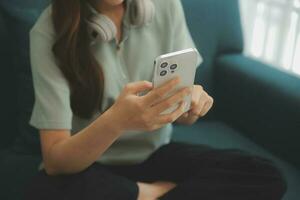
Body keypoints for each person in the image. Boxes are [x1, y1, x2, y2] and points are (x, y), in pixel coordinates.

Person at [24, 0, 287, 199]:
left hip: (154, 154)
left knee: (264, 174)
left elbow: (181, 114)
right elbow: (56, 161)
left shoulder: (165, 5)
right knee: (44, 189)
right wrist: (116, 121)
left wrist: (189, 107)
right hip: (88, 166)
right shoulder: (48, 32)